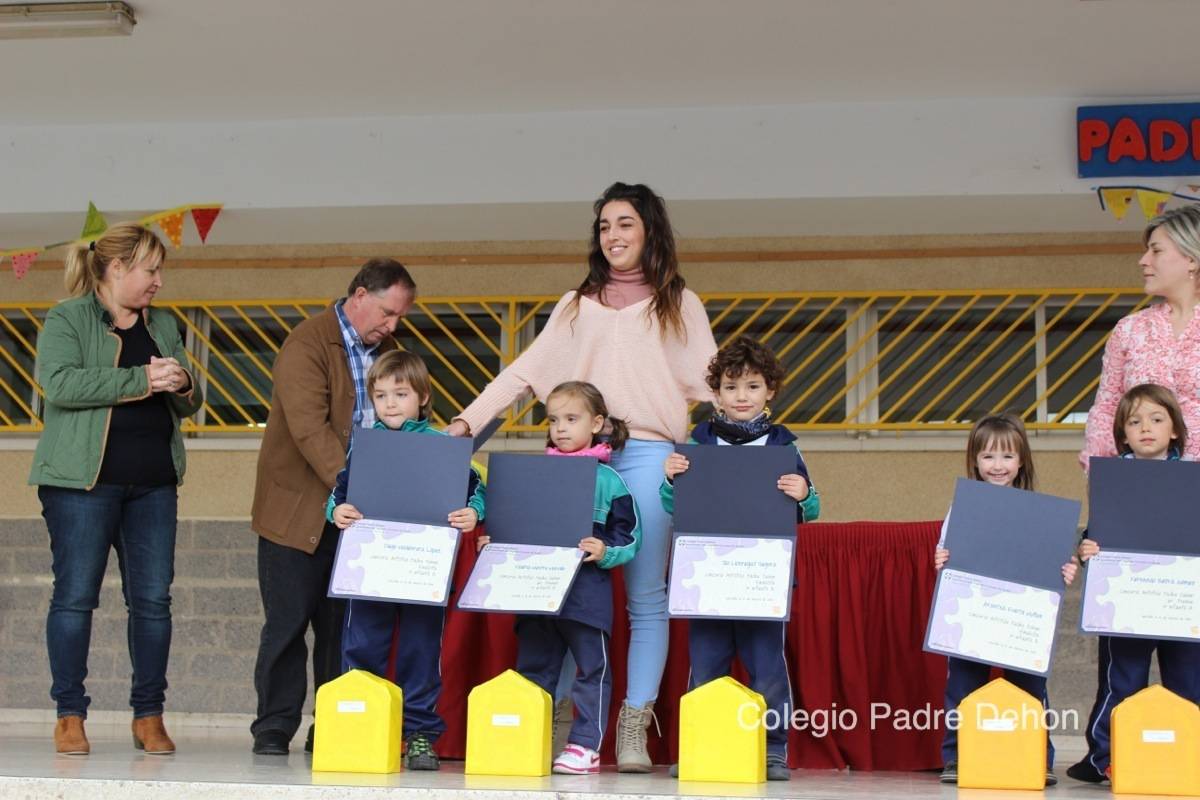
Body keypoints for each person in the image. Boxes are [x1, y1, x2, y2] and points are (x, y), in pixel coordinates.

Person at [447, 183, 716, 770]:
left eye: (625, 224)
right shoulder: (575, 305)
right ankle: (565, 721)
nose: (613, 236)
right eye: (604, 227)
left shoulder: (680, 304)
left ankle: (631, 728)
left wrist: (747, 447)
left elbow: (714, 387)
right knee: (559, 596)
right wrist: (467, 422)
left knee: (646, 598)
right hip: (576, 461)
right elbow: (524, 372)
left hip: (647, 454)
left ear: (649, 230)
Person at [30, 222, 203, 755]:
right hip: (81, 485)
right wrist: (141, 380)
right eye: (151, 271)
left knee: (153, 603)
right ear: (117, 268)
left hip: (153, 486)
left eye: (160, 272)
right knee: (75, 599)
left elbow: (189, 403)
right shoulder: (68, 317)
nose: (158, 282)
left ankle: (149, 715)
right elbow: (58, 384)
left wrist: (182, 384)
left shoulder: (165, 324)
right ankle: (69, 715)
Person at [249, 258, 415, 755]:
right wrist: (353, 485)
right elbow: (308, 429)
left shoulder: (387, 351)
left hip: (355, 518)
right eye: (387, 312)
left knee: (340, 628)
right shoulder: (306, 343)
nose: (393, 325)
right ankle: (274, 728)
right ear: (359, 295)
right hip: (296, 513)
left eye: (400, 317)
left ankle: (332, 726)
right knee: (287, 623)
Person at [659, 336, 818, 781]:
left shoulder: (786, 446)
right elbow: (671, 505)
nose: (741, 396)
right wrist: (671, 482)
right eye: (731, 388)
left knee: (767, 666)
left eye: (751, 386)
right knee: (705, 665)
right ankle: (702, 746)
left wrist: (803, 494)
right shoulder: (697, 441)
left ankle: (772, 750)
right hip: (707, 574)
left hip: (761, 577)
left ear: (770, 390)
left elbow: (813, 508)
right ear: (717, 394)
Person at [327, 350, 485, 770]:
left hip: (423, 570)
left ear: (423, 397)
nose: (390, 403)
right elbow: (341, 494)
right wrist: (335, 512)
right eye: (381, 395)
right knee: (362, 646)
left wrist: (474, 512)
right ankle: (362, 726)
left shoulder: (444, 447)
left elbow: (475, 490)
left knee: (420, 652)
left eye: (400, 393)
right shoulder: (365, 446)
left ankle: (419, 734)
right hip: (370, 568)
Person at [475, 381, 642, 774]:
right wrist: (494, 544)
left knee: (592, 670)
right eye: (553, 420)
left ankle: (586, 746)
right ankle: (528, 739)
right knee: (534, 668)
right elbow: (511, 524)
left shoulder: (610, 481)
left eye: (572, 418)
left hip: (586, 596)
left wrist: (606, 550)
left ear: (597, 423)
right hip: (536, 593)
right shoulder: (534, 474)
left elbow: (631, 535)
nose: (560, 428)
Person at [934, 413, 1077, 787]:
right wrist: (941, 558)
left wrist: (1065, 571)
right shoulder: (962, 507)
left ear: (1021, 461)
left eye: (1007, 457)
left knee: (1031, 687)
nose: (997, 466)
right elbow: (946, 550)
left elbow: (1056, 560)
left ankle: (1037, 756)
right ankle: (957, 756)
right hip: (972, 610)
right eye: (988, 457)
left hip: (1022, 617)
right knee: (963, 685)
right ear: (975, 461)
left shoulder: (1038, 510)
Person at [1067, 384, 1200, 783]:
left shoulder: (1192, 478)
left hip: (1181, 603)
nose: (1146, 428)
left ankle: (1189, 754)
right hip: (1125, 601)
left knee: (1188, 682)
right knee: (1119, 681)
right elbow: (1100, 532)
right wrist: (1088, 546)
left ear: (1175, 429)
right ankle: (1103, 758)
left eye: (1157, 419)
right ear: (1122, 434)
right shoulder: (1113, 479)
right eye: (1135, 421)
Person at [1081, 205, 1200, 468]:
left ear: (1191, 259)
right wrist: (1102, 476)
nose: (1143, 260)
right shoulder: (1130, 329)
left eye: (1156, 250)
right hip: (1140, 488)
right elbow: (1107, 409)